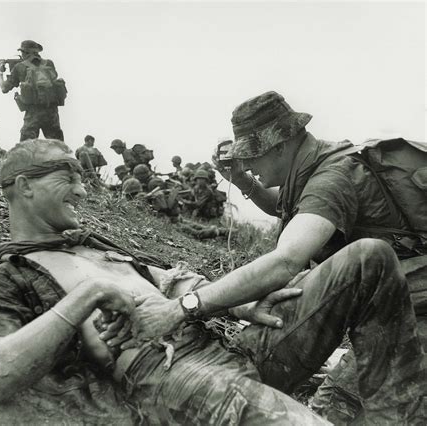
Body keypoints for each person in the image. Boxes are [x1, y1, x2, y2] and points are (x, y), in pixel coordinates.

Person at [0, 138, 332, 424]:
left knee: (366, 259)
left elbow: (173, 283)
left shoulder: (96, 248)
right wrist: (90, 294)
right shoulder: (8, 276)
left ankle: (344, 401)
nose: (82, 191)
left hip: (224, 352)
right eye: (67, 179)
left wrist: (243, 304)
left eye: (81, 180)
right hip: (169, 376)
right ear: (26, 186)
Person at [130, 91, 427, 424]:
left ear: (281, 146)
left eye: (251, 157)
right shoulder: (315, 161)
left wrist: (185, 306)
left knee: (375, 410)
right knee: (334, 404)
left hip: (415, 312)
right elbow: (286, 207)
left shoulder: (331, 179)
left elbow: (286, 261)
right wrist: (242, 181)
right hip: (396, 303)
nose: (246, 164)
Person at [0, 40, 66, 141]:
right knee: (57, 145)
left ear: (26, 53)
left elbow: (4, 88)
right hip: (51, 111)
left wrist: (0, 73)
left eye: (22, 52)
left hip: (33, 112)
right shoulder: (49, 63)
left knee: (27, 146)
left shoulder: (19, 67)